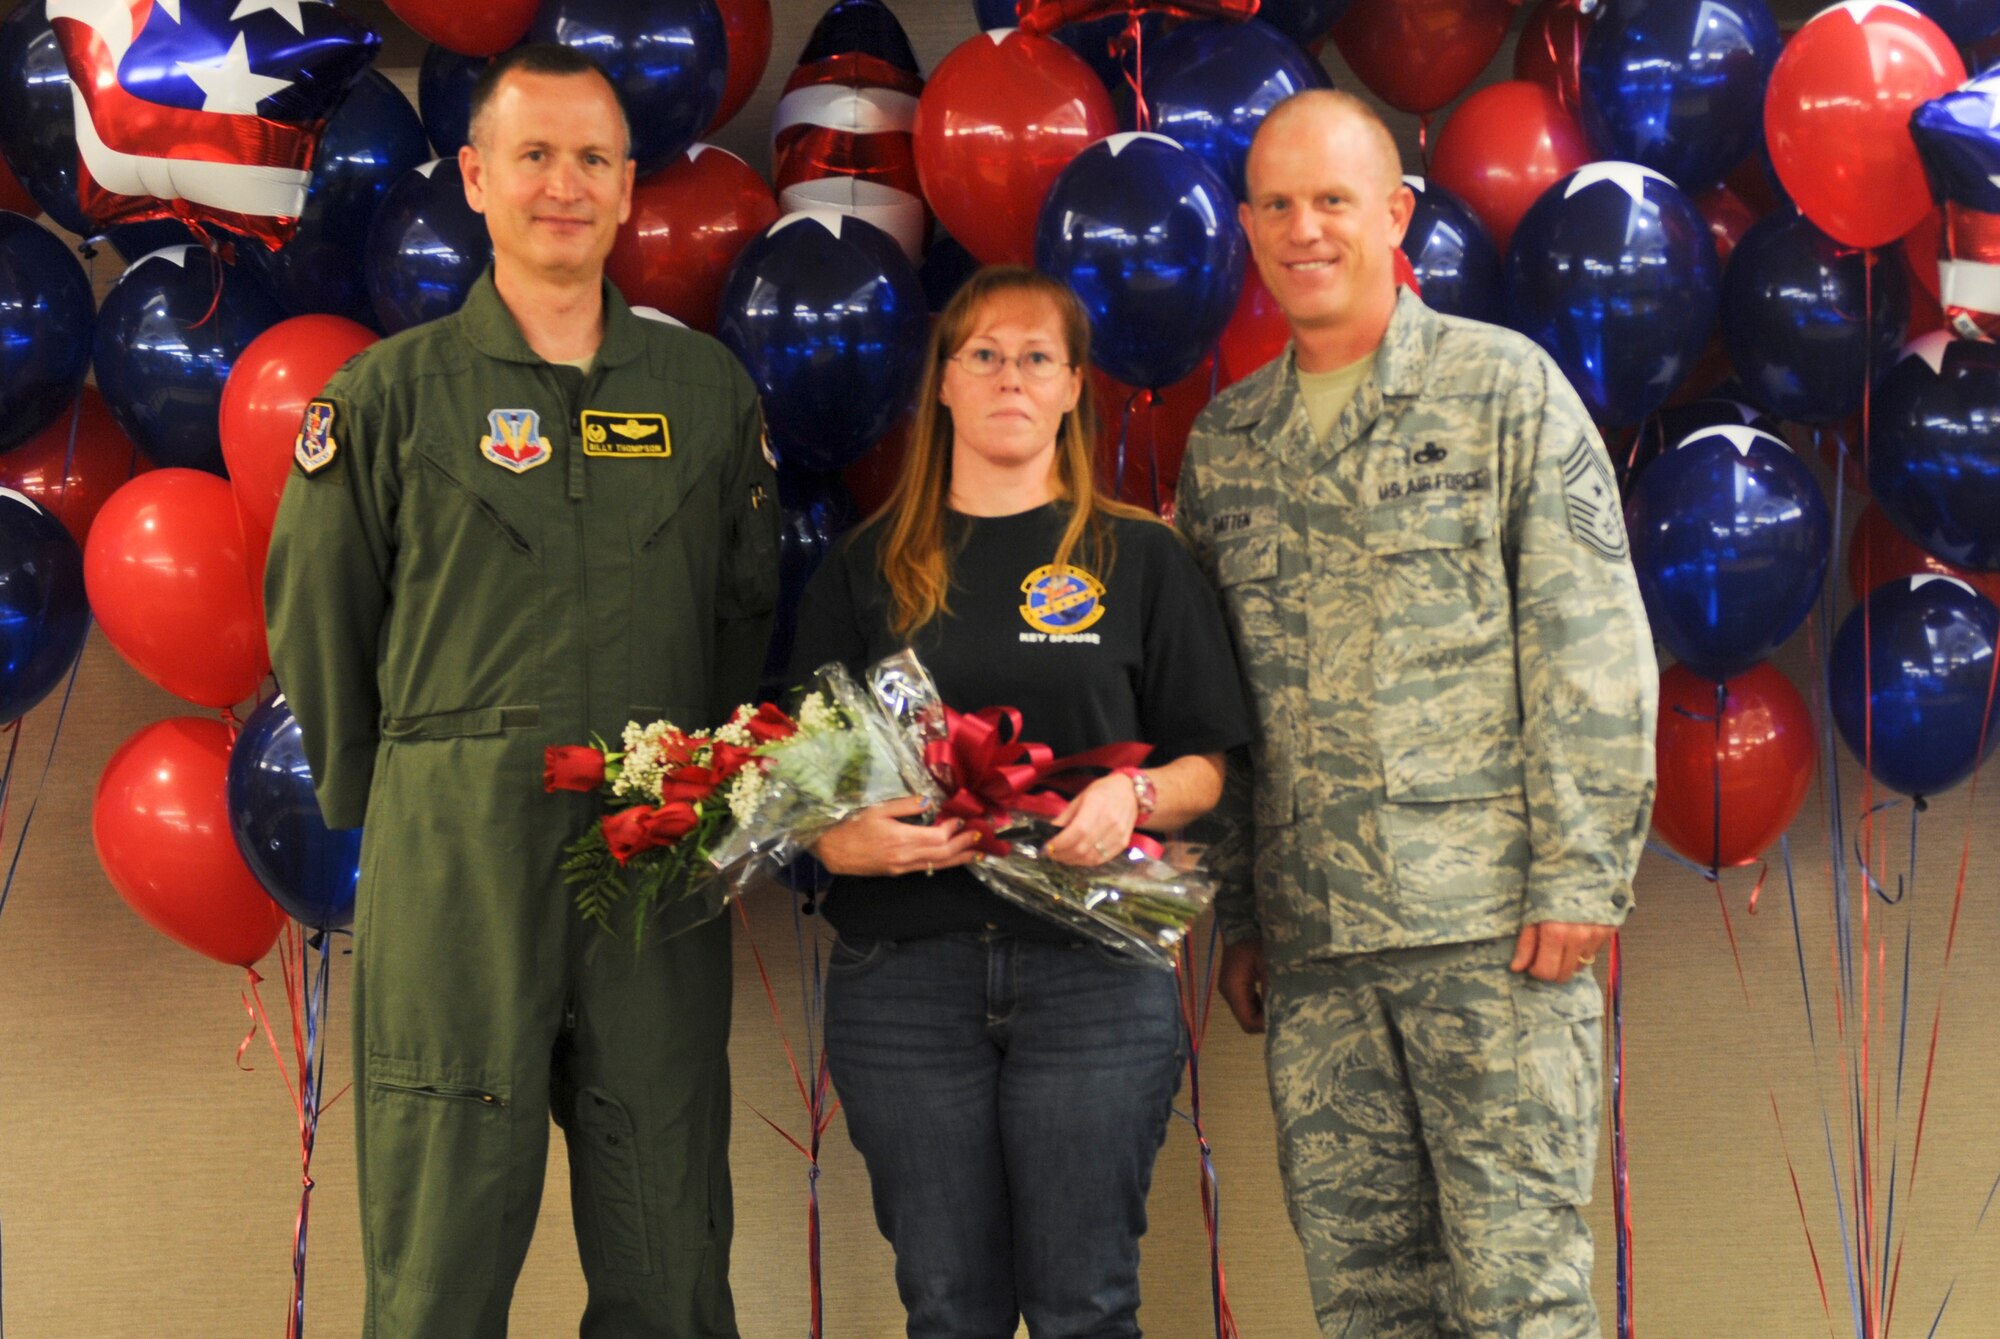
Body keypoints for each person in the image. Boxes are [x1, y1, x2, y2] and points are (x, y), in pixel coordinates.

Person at [264, 44, 775, 1339]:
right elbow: (318, 621)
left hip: (651, 853)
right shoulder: (385, 401)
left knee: (671, 1256)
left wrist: (691, 789)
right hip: (457, 861)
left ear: (628, 189)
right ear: (477, 179)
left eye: (593, 158)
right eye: (535, 155)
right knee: (438, 1259)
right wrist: (402, 798)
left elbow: (738, 617)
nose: (565, 183)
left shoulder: (707, 397)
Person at [1176, 89, 1658, 1338]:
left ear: (1394, 214)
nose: (1304, 230)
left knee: (1517, 1300)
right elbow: (1214, 698)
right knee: (1365, 1302)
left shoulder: (1503, 391)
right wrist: (1236, 905)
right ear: (1245, 226)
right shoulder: (1225, 445)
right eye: (1276, 205)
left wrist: (1581, 873)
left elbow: (1588, 637)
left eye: (1332, 200)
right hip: (1314, 949)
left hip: (1491, 933)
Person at [786, 265, 1253, 1339]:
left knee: (1084, 1303)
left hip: (1092, 976)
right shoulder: (866, 568)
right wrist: (838, 840)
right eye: (982, 354)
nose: (1009, 376)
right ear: (942, 383)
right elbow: (803, 770)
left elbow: (1207, 767)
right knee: (946, 1306)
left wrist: (1130, 795)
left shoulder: (1138, 557)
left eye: (1036, 356)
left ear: (1072, 386)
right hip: (903, 982)